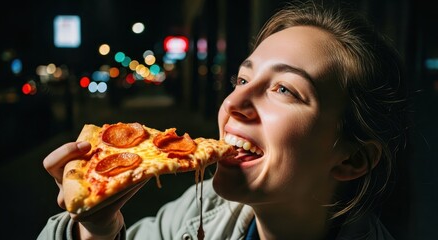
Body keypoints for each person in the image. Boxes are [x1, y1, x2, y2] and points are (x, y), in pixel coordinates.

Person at [38, 1, 409, 239]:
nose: (234, 101)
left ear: (351, 159)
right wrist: (97, 231)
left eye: (285, 89)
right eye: (243, 79)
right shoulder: (196, 212)